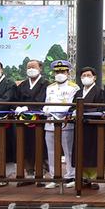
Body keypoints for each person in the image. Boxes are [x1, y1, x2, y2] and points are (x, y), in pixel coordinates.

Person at [42, 60, 78, 189]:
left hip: (65, 123)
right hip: (50, 123)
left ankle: (71, 176)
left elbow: (72, 105)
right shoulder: (50, 87)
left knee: (68, 151)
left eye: (62, 71)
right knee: (51, 151)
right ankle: (55, 177)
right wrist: (46, 109)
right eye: (57, 72)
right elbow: (47, 102)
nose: (59, 74)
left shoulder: (74, 87)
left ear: (68, 73)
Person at [14, 59, 50, 185]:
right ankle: (29, 172)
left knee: (40, 145)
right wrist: (19, 107)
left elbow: (43, 100)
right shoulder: (22, 85)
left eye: (33, 67)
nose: (31, 69)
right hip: (24, 121)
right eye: (28, 67)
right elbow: (16, 99)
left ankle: (42, 173)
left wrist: (29, 107)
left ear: (40, 68)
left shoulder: (46, 84)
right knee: (26, 145)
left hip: (39, 120)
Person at [73, 67, 104, 186]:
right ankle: (84, 177)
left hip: (93, 127)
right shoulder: (78, 93)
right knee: (81, 151)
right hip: (80, 126)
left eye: (88, 75)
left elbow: (101, 108)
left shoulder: (99, 92)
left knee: (94, 152)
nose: (86, 78)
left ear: (94, 77)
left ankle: (95, 179)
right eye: (83, 76)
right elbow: (73, 106)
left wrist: (84, 111)